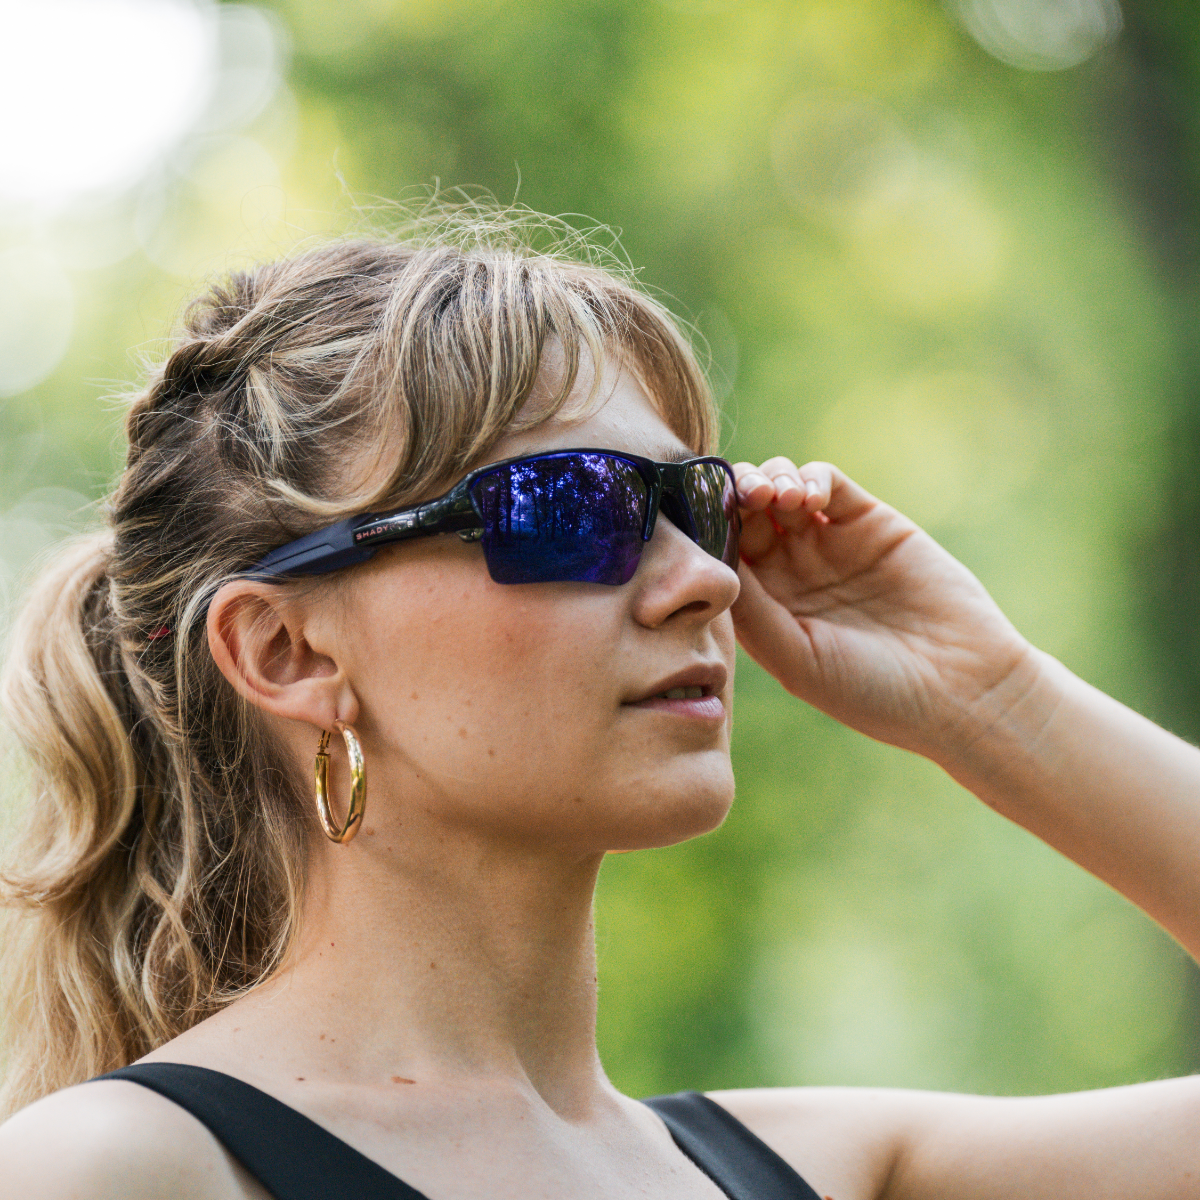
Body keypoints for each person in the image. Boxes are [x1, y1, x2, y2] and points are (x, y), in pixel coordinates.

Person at [0, 217, 1197, 1200]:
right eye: (568, 509)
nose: (708, 580)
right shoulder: (120, 1171)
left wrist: (990, 699)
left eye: (698, 505)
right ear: (286, 650)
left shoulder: (824, 1173)